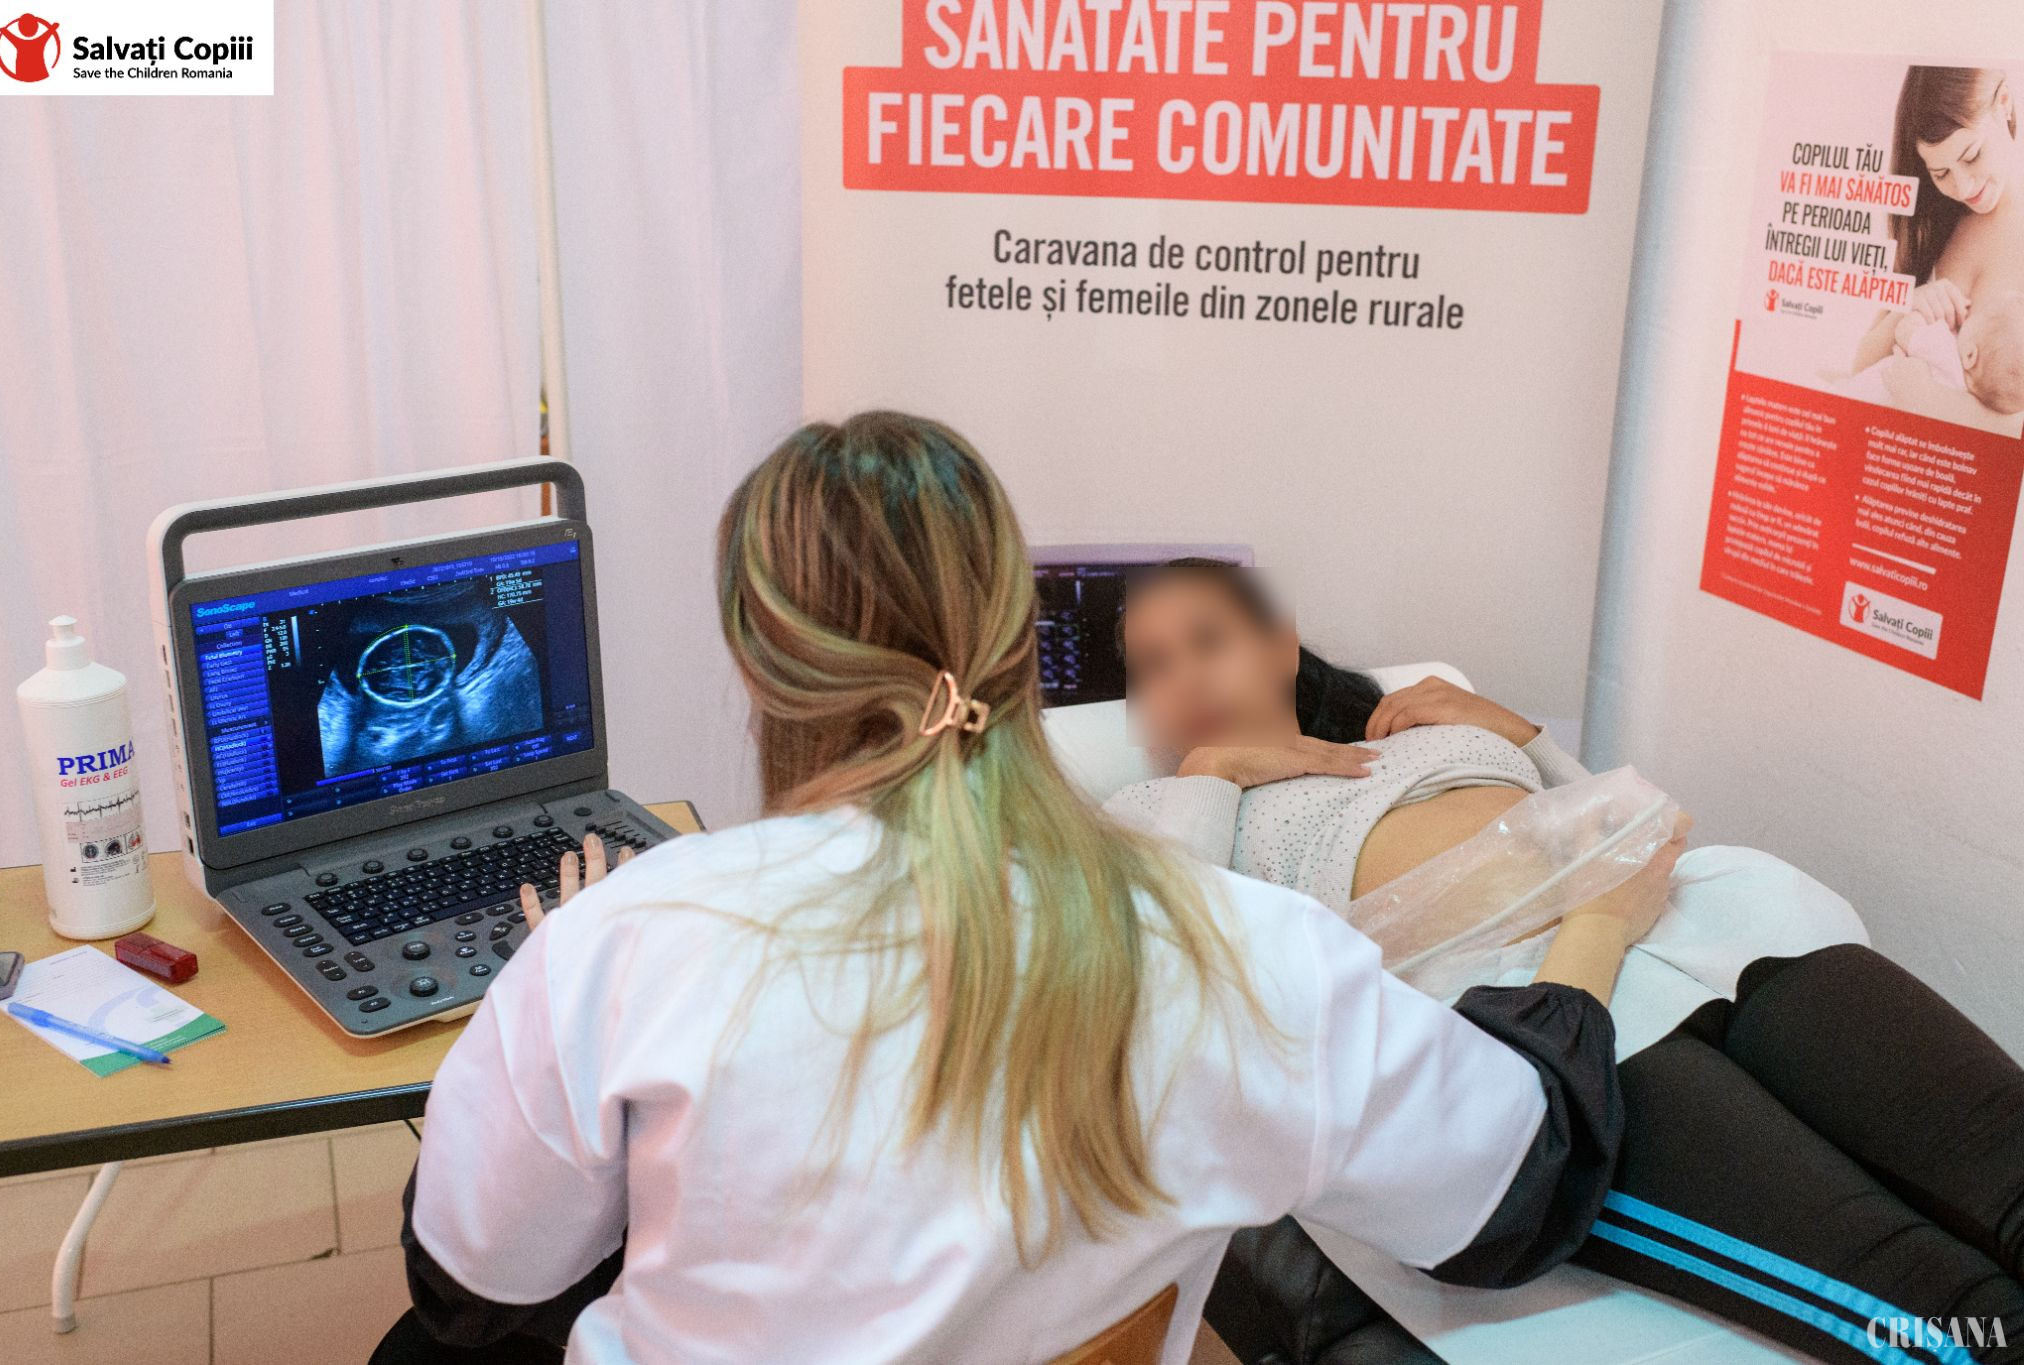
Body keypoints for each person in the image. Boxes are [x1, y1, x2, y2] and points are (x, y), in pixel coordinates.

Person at [385, 413, 1667, 1364]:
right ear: (1020, 647)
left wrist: (563, 1016)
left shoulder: (621, 946)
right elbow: (1516, 1193)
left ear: (759, 663)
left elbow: (478, 1285)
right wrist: (1597, 922)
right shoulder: (1241, 954)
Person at [1111, 560, 2024, 1365]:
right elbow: (1165, 964)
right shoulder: (1160, 812)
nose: (1183, 677)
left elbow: (1621, 829)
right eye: (1150, 667)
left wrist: (1525, 738)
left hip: (1723, 931)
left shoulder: (1415, 732)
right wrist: (1213, 772)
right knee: (1948, 1309)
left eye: (1207, 640)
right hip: (1556, 1027)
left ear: (1281, 644)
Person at [1854, 68, 2024, 383]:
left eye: (1972, 156)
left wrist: (1927, 398)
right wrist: (1908, 308)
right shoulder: (1935, 223)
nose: (1963, 188)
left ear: (2004, 103)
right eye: (1940, 173)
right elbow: (1860, 364)